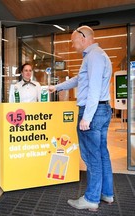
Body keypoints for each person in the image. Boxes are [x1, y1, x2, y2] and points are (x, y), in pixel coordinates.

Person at [48, 26, 113, 211]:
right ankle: (106, 194)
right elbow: (79, 79)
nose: (72, 44)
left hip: (93, 111)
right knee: (101, 154)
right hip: (102, 110)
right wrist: (57, 87)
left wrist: (87, 117)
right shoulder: (96, 56)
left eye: (73, 40)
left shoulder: (93, 56)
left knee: (92, 156)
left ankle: (92, 199)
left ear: (83, 38)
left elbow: (92, 88)